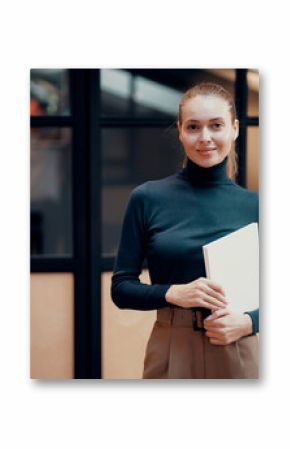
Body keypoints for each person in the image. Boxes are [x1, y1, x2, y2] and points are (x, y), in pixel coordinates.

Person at [111, 82, 259, 379]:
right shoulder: (147, 198)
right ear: (180, 130)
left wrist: (249, 322)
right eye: (193, 127)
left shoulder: (257, 205)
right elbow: (121, 288)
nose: (205, 138)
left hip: (238, 344)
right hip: (171, 345)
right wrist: (174, 293)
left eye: (216, 125)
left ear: (234, 128)